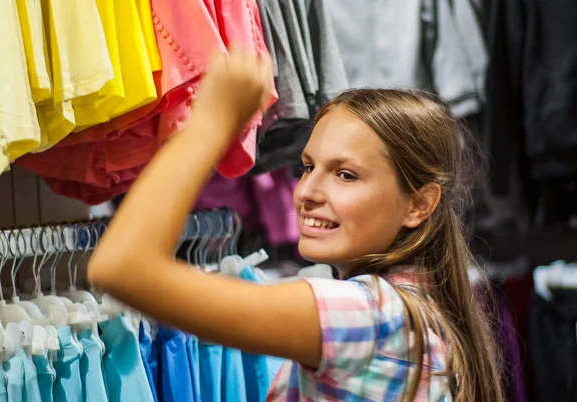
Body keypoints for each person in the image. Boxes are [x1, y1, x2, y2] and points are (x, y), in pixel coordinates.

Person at [88, 48, 504, 401]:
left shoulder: (369, 315)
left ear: (419, 204)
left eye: (345, 175)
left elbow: (122, 268)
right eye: (307, 167)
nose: (306, 191)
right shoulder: (409, 312)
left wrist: (210, 122)